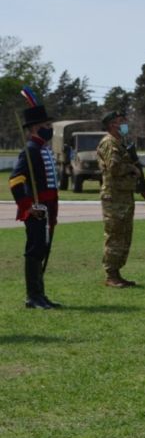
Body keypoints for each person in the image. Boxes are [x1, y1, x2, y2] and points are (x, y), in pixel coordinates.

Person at [9, 102, 62, 309]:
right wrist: (27, 205)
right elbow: (15, 180)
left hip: (48, 209)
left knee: (42, 249)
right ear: (35, 128)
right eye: (46, 124)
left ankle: (40, 294)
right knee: (35, 250)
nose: (50, 128)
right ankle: (33, 296)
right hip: (37, 209)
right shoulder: (30, 150)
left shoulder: (42, 148)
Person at [97, 110, 145, 288]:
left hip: (124, 195)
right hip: (114, 197)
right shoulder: (109, 143)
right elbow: (114, 168)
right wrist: (131, 168)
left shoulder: (121, 142)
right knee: (115, 235)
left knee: (125, 235)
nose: (125, 124)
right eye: (121, 121)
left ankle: (117, 272)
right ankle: (111, 274)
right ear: (112, 125)